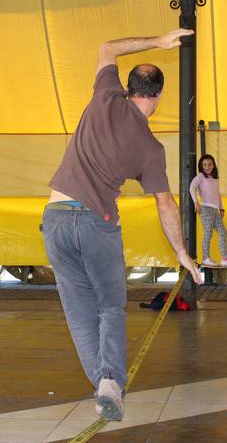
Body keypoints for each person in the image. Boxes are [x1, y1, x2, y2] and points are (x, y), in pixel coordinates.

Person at [41, 29, 203, 422]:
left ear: (127, 87)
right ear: (158, 97)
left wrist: (160, 41)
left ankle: (102, 386)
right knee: (110, 307)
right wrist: (182, 253)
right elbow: (165, 204)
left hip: (56, 220)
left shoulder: (104, 97)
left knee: (80, 314)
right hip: (96, 225)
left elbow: (107, 47)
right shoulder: (151, 149)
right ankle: (110, 381)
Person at [189, 154, 227, 267]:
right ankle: (206, 258)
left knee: (222, 231)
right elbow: (192, 187)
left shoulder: (215, 178)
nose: (207, 167)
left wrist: (221, 208)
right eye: (205, 164)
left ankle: (224, 259)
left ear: (213, 165)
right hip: (206, 208)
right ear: (201, 166)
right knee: (208, 232)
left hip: (215, 209)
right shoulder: (201, 176)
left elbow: (217, 194)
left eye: (210, 164)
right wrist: (196, 202)